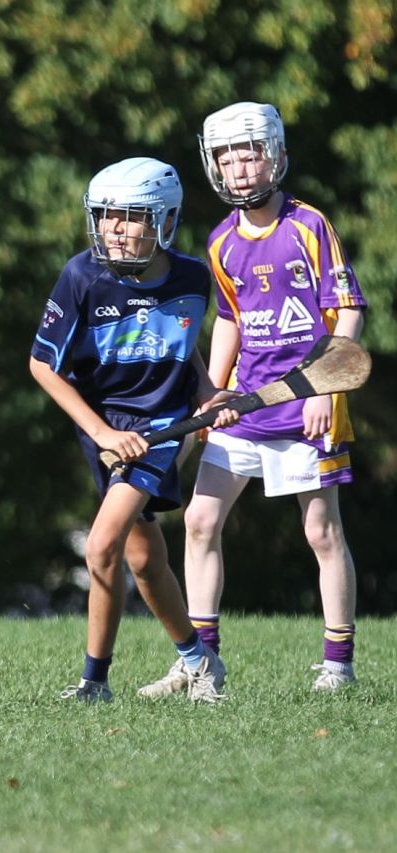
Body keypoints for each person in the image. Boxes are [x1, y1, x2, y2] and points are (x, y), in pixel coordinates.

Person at [139, 102, 368, 699]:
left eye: (251, 154)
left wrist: (325, 382)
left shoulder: (309, 226)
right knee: (199, 520)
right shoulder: (219, 242)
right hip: (247, 403)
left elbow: (348, 310)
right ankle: (201, 662)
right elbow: (231, 323)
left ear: (277, 158)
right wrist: (213, 397)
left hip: (308, 400)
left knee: (321, 531)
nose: (240, 168)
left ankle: (337, 666)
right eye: (226, 157)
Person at [29, 157, 238, 704]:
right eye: (106, 217)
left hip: (164, 426)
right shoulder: (82, 275)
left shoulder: (193, 277)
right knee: (145, 560)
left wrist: (207, 395)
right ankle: (200, 660)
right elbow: (42, 367)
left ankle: (93, 683)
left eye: (131, 217)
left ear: (164, 220)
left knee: (102, 547)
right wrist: (100, 433)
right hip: (102, 425)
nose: (114, 229)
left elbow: (182, 347)